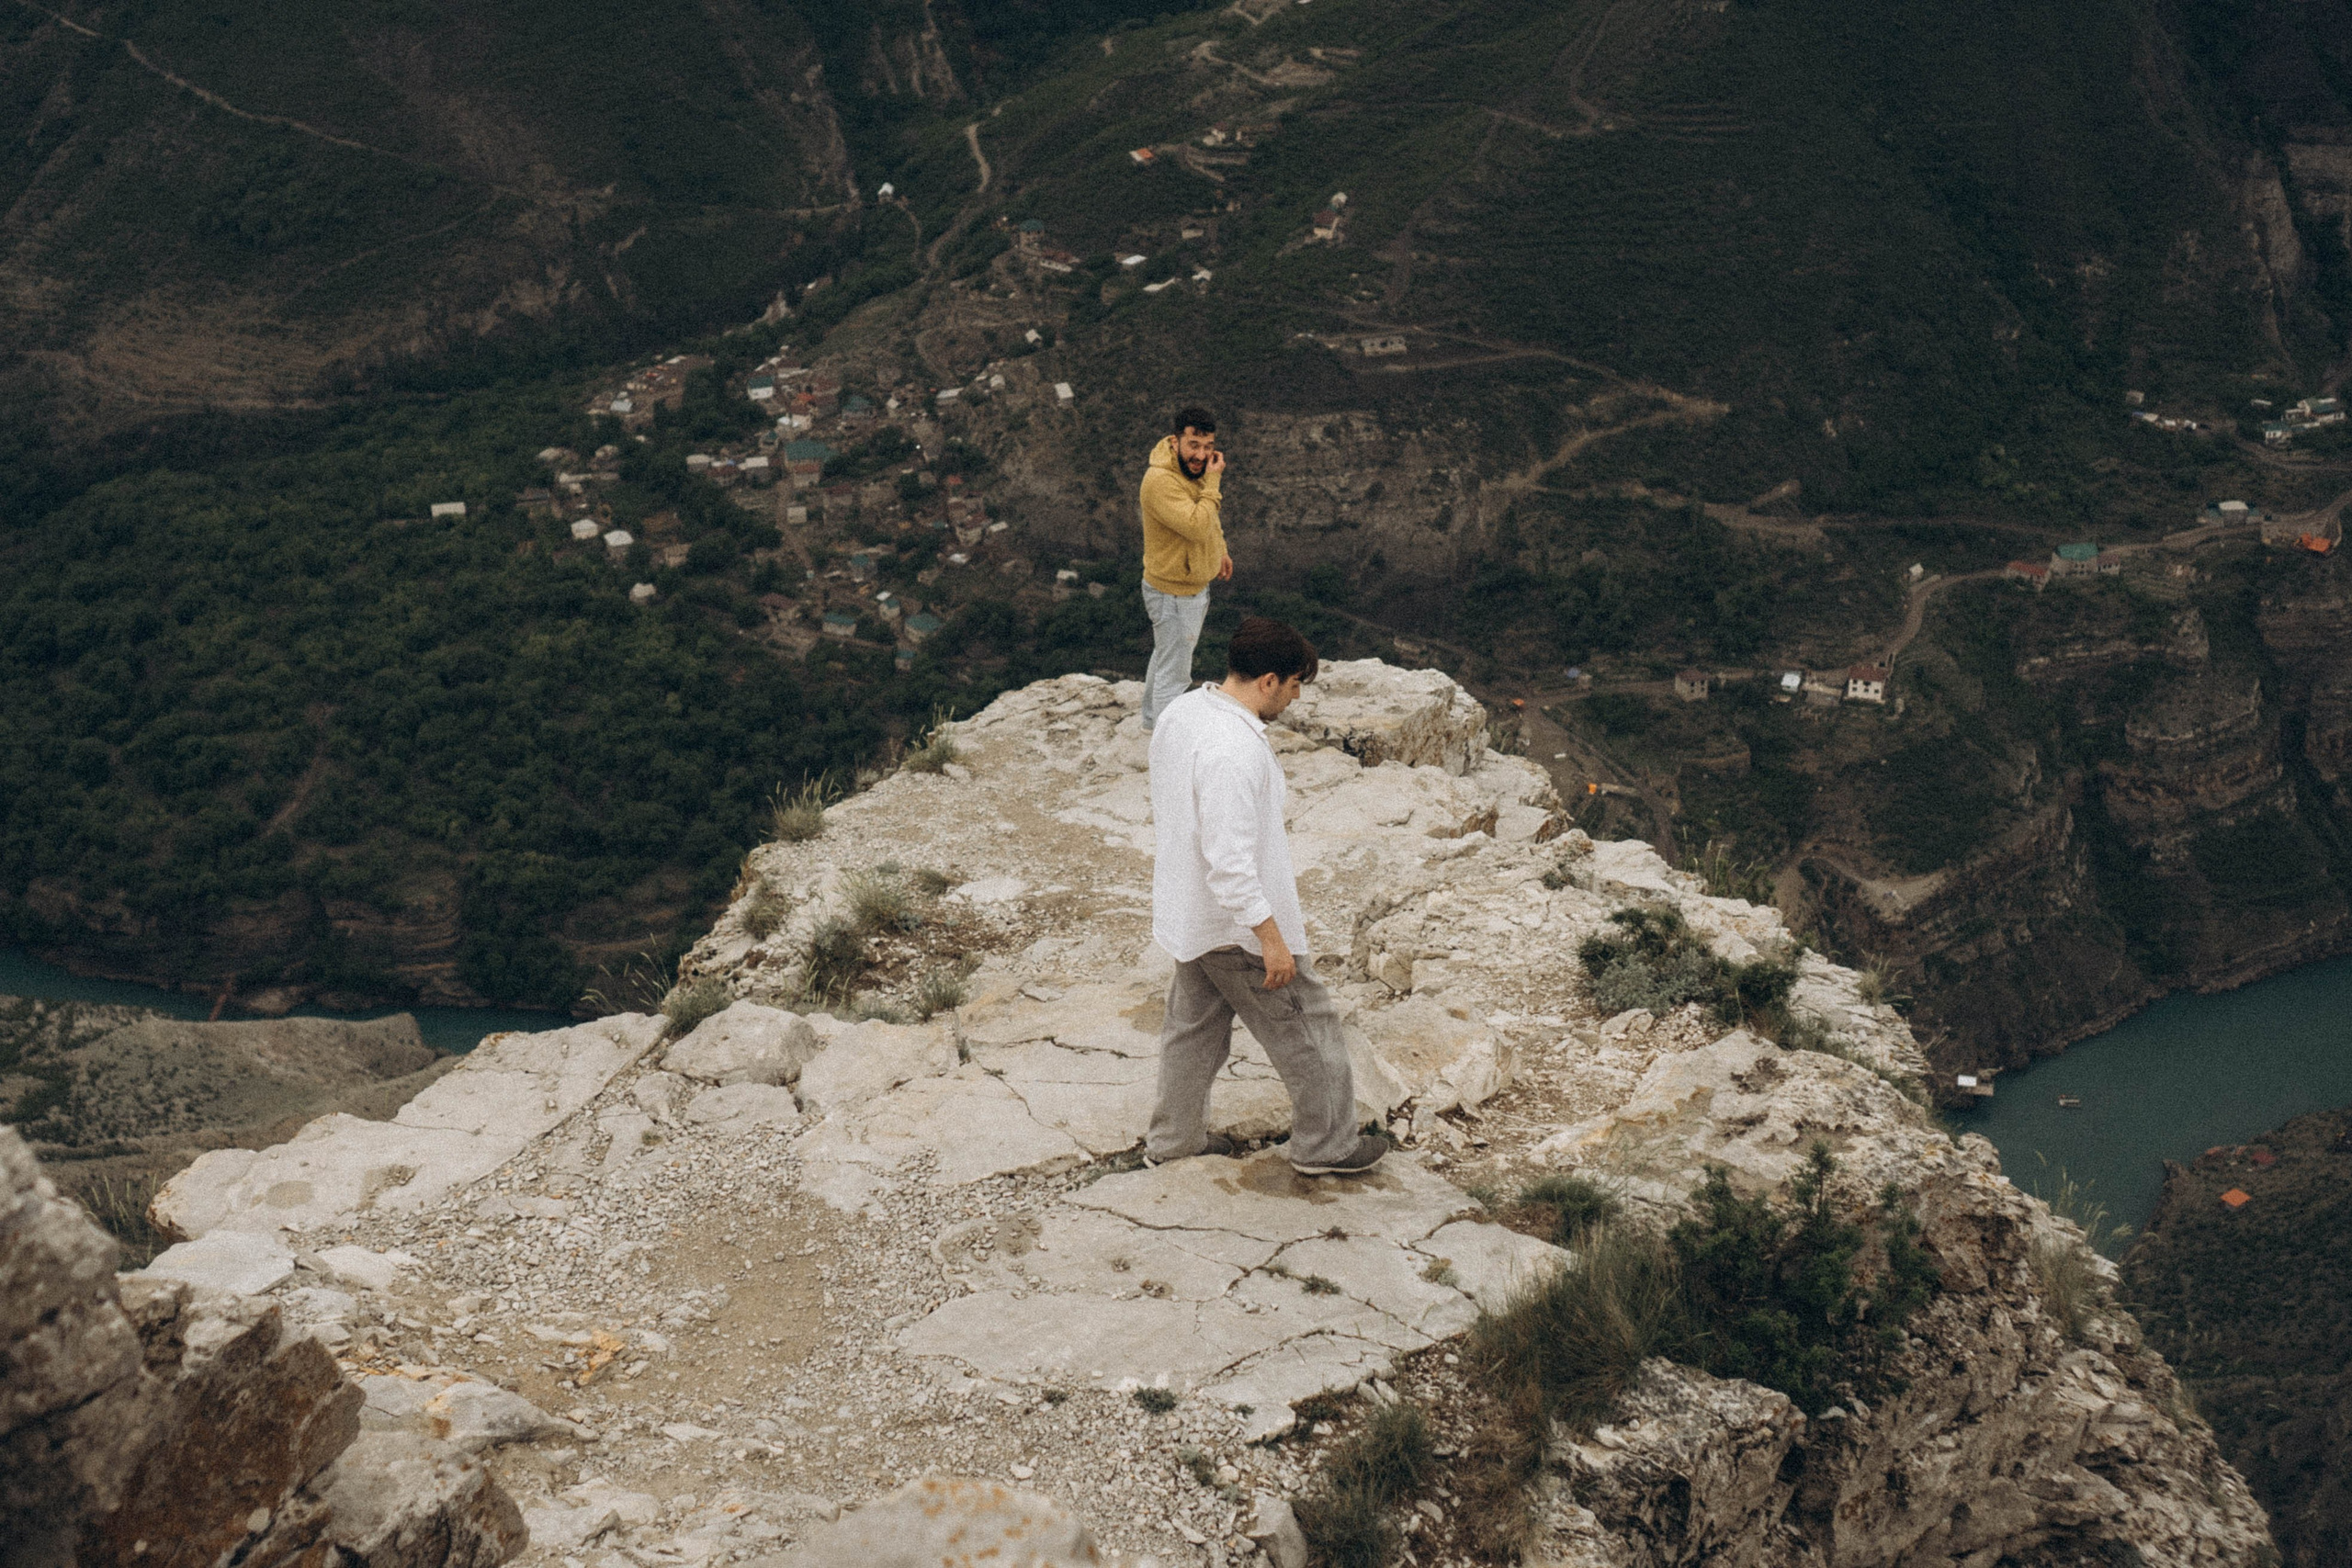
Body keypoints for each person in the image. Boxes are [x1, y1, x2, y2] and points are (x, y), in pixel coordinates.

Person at [1143, 616, 1387, 1176]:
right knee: (1308, 1024)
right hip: (1236, 927)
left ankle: (1174, 1141)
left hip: (1190, 913)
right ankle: (1327, 1146)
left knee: (1193, 1032)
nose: (1297, 698)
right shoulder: (1235, 750)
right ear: (1270, 680)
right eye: (1296, 685)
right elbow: (1229, 862)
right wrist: (1271, 940)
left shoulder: (1182, 712)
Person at [1136, 406, 1234, 730]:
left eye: (1208, 447)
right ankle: (1168, 740)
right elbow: (1195, 524)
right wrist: (1214, 480)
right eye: (1193, 445)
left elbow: (1209, 517)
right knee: (1175, 672)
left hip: (1183, 586)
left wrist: (1220, 550)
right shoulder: (1160, 481)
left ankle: (1151, 721)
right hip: (1174, 592)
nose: (1201, 455)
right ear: (1175, 441)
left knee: (1167, 656)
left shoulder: (1191, 475)